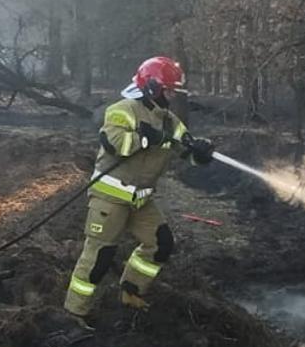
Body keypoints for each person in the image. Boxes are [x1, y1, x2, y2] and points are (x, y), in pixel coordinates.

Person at [62, 56, 215, 323]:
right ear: (152, 86)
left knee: (161, 244)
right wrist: (147, 137)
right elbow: (114, 143)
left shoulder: (170, 122)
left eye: (173, 91)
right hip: (110, 197)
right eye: (168, 90)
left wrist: (200, 152)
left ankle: (131, 291)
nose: (171, 96)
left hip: (140, 200)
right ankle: (74, 313)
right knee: (99, 256)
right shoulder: (123, 110)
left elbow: (185, 151)